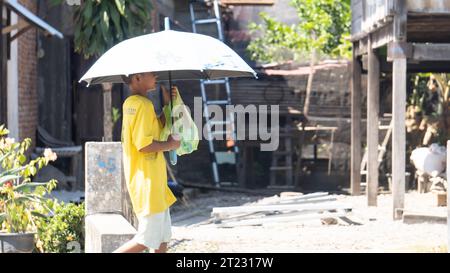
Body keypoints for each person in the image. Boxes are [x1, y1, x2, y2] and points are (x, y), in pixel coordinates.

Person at [114, 72, 180, 253]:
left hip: (150, 181)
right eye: (152, 74)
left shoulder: (131, 103)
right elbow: (144, 145)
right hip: (149, 182)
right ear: (137, 78)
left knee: (162, 240)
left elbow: (158, 128)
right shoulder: (143, 105)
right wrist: (170, 145)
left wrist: (168, 105)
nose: (156, 77)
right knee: (146, 239)